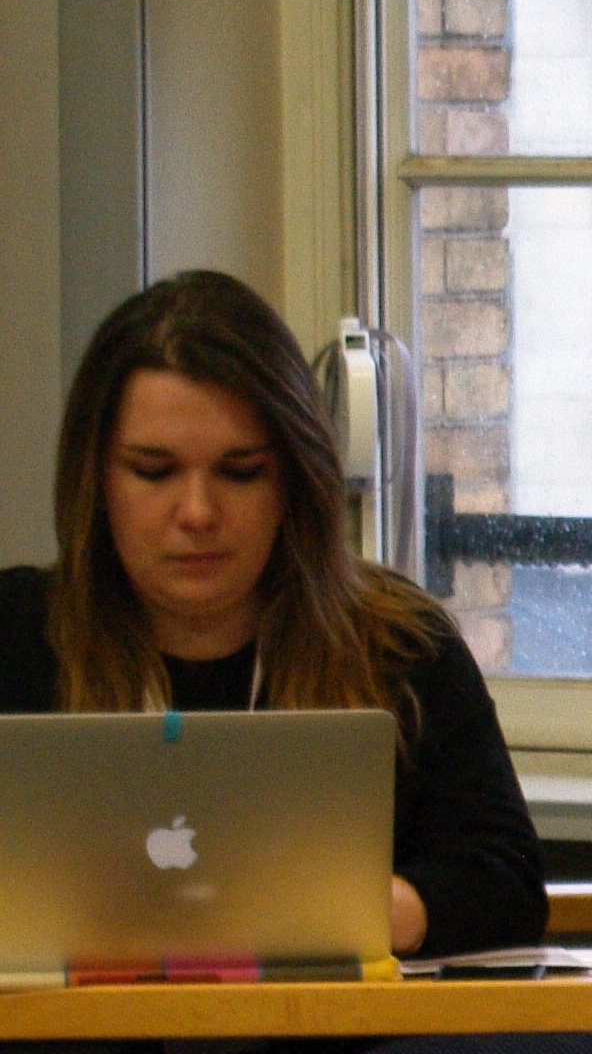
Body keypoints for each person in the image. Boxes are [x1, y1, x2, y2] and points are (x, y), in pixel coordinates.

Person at [0, 270, 544, 960]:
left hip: (324, 1027)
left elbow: (507, 888)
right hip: (66, 1029)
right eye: (154, 471)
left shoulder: (401, 645)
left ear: (294, 476)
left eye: (241, 472)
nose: (198, 513)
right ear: (96, 479)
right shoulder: (16, 632)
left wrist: (345, 912)